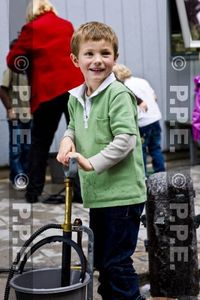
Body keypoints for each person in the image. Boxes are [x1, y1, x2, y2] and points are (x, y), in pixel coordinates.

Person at [57, 21, 146, 300]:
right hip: (99, 195)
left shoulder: (118, 95)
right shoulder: (75, 97)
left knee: (117, 263)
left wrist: (91, 162)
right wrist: (67, 139)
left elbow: (126, 141)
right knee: (103, 263)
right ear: (75, 60)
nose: (98, 60)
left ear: (115, 58)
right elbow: (73, 126)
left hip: (122, 195)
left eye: (105, 54)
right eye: (90, 54)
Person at [7, 0, 84, 203]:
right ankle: (79, 193)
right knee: (78, 139)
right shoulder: (66, 25)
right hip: (74, 89)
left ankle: (33, 193)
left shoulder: (31, 28)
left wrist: (29, 62)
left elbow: (12, 60)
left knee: (40, 144)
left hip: (47, 92)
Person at [113, 63, 165, 176]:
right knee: (156, 148)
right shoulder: (142, 81)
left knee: (141, 151)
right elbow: (154, 97)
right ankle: (161, 175)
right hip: (155, 119)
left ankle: (143, 177)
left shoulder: (125, 86)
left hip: (143, 122)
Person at [0, 39, 32, 190]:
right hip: (16, 116)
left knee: (27, 148)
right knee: (16, 148)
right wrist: (9, 108)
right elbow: (2, 89)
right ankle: (19, 177)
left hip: (29, 115)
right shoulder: (11, 70)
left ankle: (19, 176)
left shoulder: (30, 70)